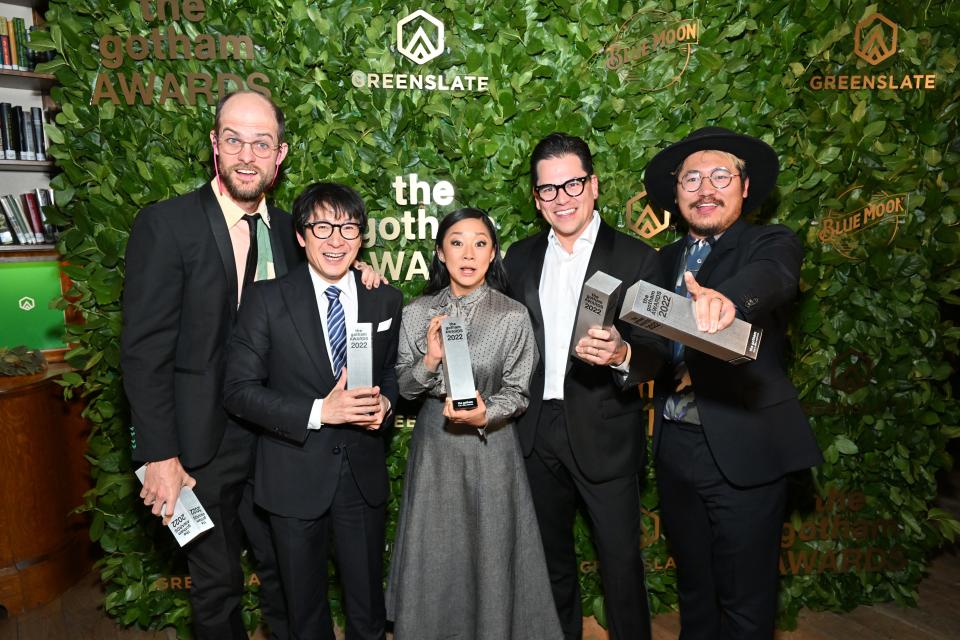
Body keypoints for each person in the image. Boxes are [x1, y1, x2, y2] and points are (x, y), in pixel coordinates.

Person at [121, 90, 296, 639]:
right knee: (217, 588)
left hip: (277, 446)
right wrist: (159, 455)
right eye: (234, 140)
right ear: (214, 147)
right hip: (199, 451)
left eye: (261, 143)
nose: (248, 155)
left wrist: (362, 275)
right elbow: (144, 351)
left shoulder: (295, 234)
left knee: (288, 579)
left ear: (280, 155)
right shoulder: (166, 225)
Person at [643, 126, 823, 639]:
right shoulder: (661, 262)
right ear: (676, 195)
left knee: (746, 603)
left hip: (744, 448)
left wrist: (727, 299)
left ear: (744, 188)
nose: (705, 188)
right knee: (695, 591)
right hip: (676, 446)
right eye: (692, 178)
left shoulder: (770, 242)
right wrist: (620, 354)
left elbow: (773, 278)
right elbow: (653, 351)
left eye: (720, 176)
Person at [503, 133, 668, 640]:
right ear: (537, 198)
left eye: (573, 183)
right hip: (534, 432)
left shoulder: (637, 259)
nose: (562, 197)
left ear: (594, 186)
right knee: (549, 567)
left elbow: (660, 353)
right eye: (548, 189)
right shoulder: (519, 256)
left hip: (603, 429)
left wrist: (622, 354)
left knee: (621, 568)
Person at [223, 182, 403, 640]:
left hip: (361, 480)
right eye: (322, 227)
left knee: (368, 610)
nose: (336, 239)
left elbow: (392, 373)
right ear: (301, 236)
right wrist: (321, 410)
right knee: (304, 613)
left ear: (362, 237)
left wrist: (385, 401)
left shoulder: (384, 298)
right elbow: (239, 391)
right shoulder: (266, 299)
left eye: (348, 228)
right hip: (292, 480)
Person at [385, 208, 563, 640]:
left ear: (493, 253)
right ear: (441, 254)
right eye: (457, 243)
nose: (468, 254)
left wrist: (487, 413)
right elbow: (406, 390)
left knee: (492, 550)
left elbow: (518, 392)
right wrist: (429, 360)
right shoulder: (417, 312)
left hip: (491, 447)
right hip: (436, 447)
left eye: (480, 243)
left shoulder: (512, 316)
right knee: (436, 550)